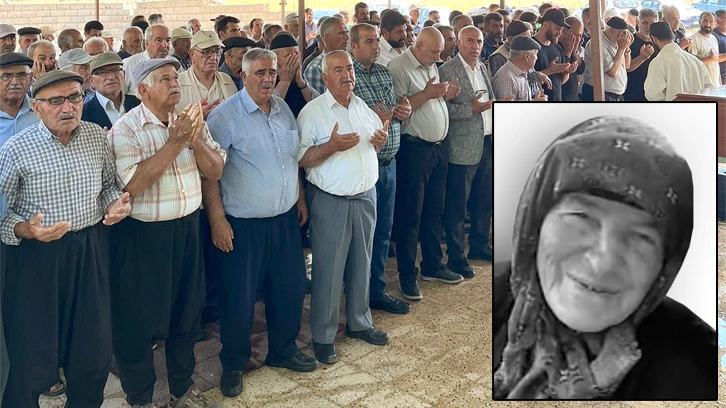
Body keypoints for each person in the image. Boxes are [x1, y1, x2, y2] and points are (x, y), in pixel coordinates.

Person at [492, 116, 715, 400]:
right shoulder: (487, 302)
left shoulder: (698, 370)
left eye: (641, 237)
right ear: (535, 223)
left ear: (666, 262)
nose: (602, 263)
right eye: (581, 217)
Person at [0, 69, 130, 408]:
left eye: (75, 97)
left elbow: (108, 186)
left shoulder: (96, 136)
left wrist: (114, 204)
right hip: (36, 257)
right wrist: (26, 229)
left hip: (90, 250)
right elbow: (2, 215)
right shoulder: (15, 150)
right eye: (56, 101)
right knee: (32, 352)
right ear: (36, 107)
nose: (68, 107)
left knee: (92, 348)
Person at [108, 57, 226, 408]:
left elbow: (216, 171)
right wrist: (174, 144)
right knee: (137, 323)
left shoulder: (189, 121)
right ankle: (140, 396)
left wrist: (195, 141)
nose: (175, 84)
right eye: (165, 79)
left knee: (186, 316)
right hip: (143, 238)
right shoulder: (126, 128)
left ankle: (182, 387)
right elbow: (132, 185)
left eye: (176, 77)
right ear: (143, 90)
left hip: (187, 230)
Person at [205, 48, 318, 398]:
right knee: (238, 300)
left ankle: (283, 350)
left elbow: (290, 160)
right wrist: (217, 220)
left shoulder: (282, 108)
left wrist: (299, 199)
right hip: (242, 226)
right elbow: (209, 174)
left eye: (272, 72)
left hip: (284, 221)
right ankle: (234, 364)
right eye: (260, 73)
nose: (268, 79)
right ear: (243, 76)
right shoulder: (225, 116)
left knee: (289, 289)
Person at [298, 50, 391, 365]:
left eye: (349, 68)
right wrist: (331, 147)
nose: (346, 74)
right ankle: (323, 337)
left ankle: (359, 323)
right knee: (328, 269)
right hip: (331, 201)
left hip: (365, 197)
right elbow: (301, 158)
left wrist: (378, 142)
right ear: (325, 77)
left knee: (362, 264)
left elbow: (372, 144)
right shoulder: (313, 112)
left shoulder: (361, 106)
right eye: (338, 70)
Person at [388, 27, 462, 301]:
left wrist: (444, 95)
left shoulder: (431, 64)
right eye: (433, 51)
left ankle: (432, 265)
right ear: (418, 45)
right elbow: (398, 110)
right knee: (411, 215)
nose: (438, 57)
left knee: (434, 211)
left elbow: (431, 98)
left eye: (440, 52)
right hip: (414, 150)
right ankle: (407, 274)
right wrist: (429, 94)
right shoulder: (399, 67)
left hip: (437, 148)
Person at [349, 23, 412, 315]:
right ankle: (357, 296)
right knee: (363, 237)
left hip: (389, 165)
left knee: (383, 234)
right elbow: (345, 118)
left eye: (376, 41)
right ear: (353, 46)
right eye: (369, 42)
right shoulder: (348, 76)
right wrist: (371, 117)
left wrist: (403, 110)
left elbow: (395, 109)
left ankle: (376, 291)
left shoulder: (384, 72)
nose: (376, 46)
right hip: (365, 167)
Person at [440, 25, 498, 273]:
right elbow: (442, 110)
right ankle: (456, 255)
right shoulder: (446, 70)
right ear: (458, 43)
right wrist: (470, 109)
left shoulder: (482, 67)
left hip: (486, 141)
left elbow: (488, 101)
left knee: (483, 200)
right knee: (457, 205)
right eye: (470, 41)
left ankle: (479, 245)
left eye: (479, 41)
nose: (475, 46)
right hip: (461, 146)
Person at [644, 22, 714, 101]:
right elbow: (708, 89)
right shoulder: (695, 61)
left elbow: (653, 95)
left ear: (654, 39)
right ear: (673, 37)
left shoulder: (658, 62)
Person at [177, 30, 236, 118]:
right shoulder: (178, 83)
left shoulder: (227, 80)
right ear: (192, 54)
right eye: (206, 52)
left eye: (217, 51)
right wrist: (196, 117)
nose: (214, 57)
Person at [81, 52, 141, 129]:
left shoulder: (138, 103)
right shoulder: (84, 114)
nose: (111, 77)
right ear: (91, 80)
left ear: (124, 74)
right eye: (103, 72)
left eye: (116, 70)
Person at [583, 17, 633, 101]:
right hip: (601, 93)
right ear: (612, 31)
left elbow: (627, 66)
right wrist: (621, 49)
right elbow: (612, 72)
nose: (625, 37)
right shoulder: (597, 43)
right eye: (623, 34)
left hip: (615, 94)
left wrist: (626, 48)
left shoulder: (617, 42)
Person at [270, 33, 317, 118]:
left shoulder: (299, 76)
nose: (294, 59)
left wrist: (301, 82)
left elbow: (318, 103)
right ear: (275, 59)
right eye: (288, 56)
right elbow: (271, 107)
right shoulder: (268, 78)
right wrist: (285, 81)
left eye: (296, 54)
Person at [533, 9, 572, 102]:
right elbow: (525, 79)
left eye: (561, 29)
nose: (560, 33)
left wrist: (567, 72)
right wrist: (550, 70)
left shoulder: (557, 48)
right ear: (545, 25)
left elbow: (559, 82)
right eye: (557, 28)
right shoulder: (530, 47)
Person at [123, 24, 172, 96]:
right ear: (147, 43)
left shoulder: (174, 63)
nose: (165, 45)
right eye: (158, 40)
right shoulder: (129, 64)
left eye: (168, 40)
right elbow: (119, 96)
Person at [304, 16, 349, 94]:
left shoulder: (351, 61)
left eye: (346, 32)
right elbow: (318, 100)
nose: (347, 37)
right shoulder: (316, 68)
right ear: (327, 38)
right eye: (341, 33)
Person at [493, 36, 546, 101]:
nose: (537, 58)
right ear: (527, 56)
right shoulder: (507, 78)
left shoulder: (520, 73)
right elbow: (507, 107)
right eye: (536, 54)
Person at [624, 8, 658, 102]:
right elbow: (626, 68)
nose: (648, 27)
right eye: (645, 23)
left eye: (652, 24)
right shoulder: (629, 41)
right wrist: (641, 58)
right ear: (638, 22)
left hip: (653, 94)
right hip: (633, 94)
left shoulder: (658, 43)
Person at [690, 12, 722, 86]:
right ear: (699, 22)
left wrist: (720, 84)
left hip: (715, 84)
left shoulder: (713, 38)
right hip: (702, 85)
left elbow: (716, 62)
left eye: (711, 22)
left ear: (715, 24)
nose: (708, 24)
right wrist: (710, 58)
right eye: (705, 21)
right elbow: (692, 63)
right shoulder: (693, 39)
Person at [714, 10, 726, 85]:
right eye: (725, 19)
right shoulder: (713, 36)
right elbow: (714, 58)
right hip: (720, 77)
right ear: (717, 21)